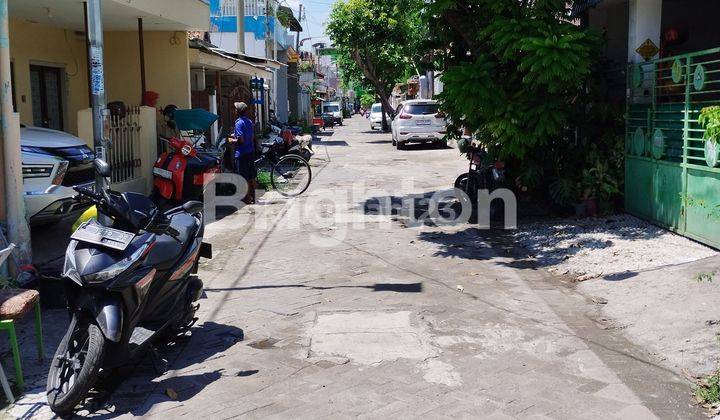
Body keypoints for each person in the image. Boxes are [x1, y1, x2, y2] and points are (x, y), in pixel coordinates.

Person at [230, 102, 257, 204]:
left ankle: (246, 199)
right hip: (250, 151)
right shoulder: (249, 121)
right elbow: (251, 136)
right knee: (252, 176)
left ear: (238, 111)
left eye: (235, 109)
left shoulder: (238, 123)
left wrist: (232, 140)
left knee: (243, 177)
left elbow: (241, 140)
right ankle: (254, 197)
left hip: (241, 153)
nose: (234, 110)